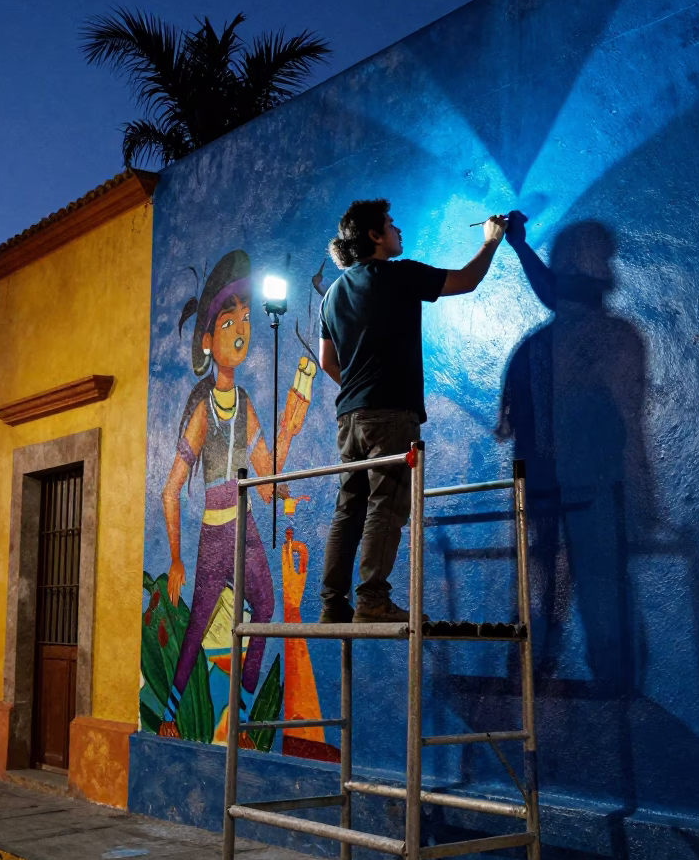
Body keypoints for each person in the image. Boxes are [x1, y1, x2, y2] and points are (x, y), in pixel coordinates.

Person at [317, 199, 508, 623]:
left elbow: (328, 362)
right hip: (389, 414)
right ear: (374, 236)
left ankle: (333, 604)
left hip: (350, 418)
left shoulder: (331, 295)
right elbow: (466, 280)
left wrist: (358, 388)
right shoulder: (398, 275)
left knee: (350, 506)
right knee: (388, 503)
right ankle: (372, 600)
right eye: (391, 223)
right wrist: (492, 242)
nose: (397, 229)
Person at [157, 250, 310, 737]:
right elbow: (170, 490)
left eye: (245, 319)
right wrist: (177, 559)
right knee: (197, 628)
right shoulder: (203, 404)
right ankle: (168, 717)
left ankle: (241, 720)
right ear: (208, 339)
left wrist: (290, 423)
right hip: (215, 537)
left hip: (244, 531)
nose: (241, 329)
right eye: (230, 321)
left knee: (263, 611)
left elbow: (266, 478)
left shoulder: (245, 404)